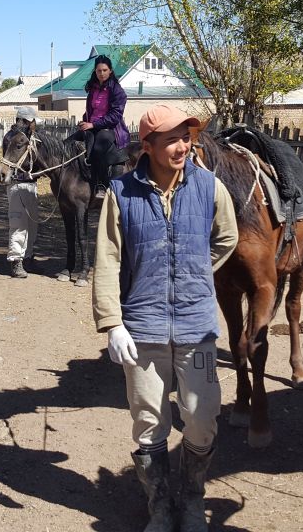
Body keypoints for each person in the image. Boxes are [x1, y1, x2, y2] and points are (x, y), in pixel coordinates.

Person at [93, 104, 239, 532]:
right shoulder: (121, 194)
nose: (182, 146)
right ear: (148, 146)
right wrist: (112, 323)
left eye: (186, 138)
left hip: (197, 325)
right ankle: (159, 504)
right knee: (148, 420)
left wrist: (194, 271)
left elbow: (227, 237)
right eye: (172, 139)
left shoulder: (210, 187)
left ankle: (192, 499)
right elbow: (107, 259)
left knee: (201, 415)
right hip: (143, 327)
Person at [70, 55, 129, 199]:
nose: (101, 73)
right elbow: (91, 111)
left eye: (104, 70)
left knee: (97, 147)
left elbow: (115, 116)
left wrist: (93, 124)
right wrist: (85, 121)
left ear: (110, 71)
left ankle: (101, 184)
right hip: (92, 125)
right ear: (95, 72)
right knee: (68, 142)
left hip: (110, 128)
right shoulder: (93, 89)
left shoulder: (117, 91)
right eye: (99, 71)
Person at [3, 106, 40, 279]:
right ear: (25, 121)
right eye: (32, 122)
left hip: (30, 184)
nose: (35, 125)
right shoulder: (12, 138)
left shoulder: (29, 137)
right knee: (18, 223)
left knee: (32, 224)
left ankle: (28, 257)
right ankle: (16, 260)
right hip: (17, 184)